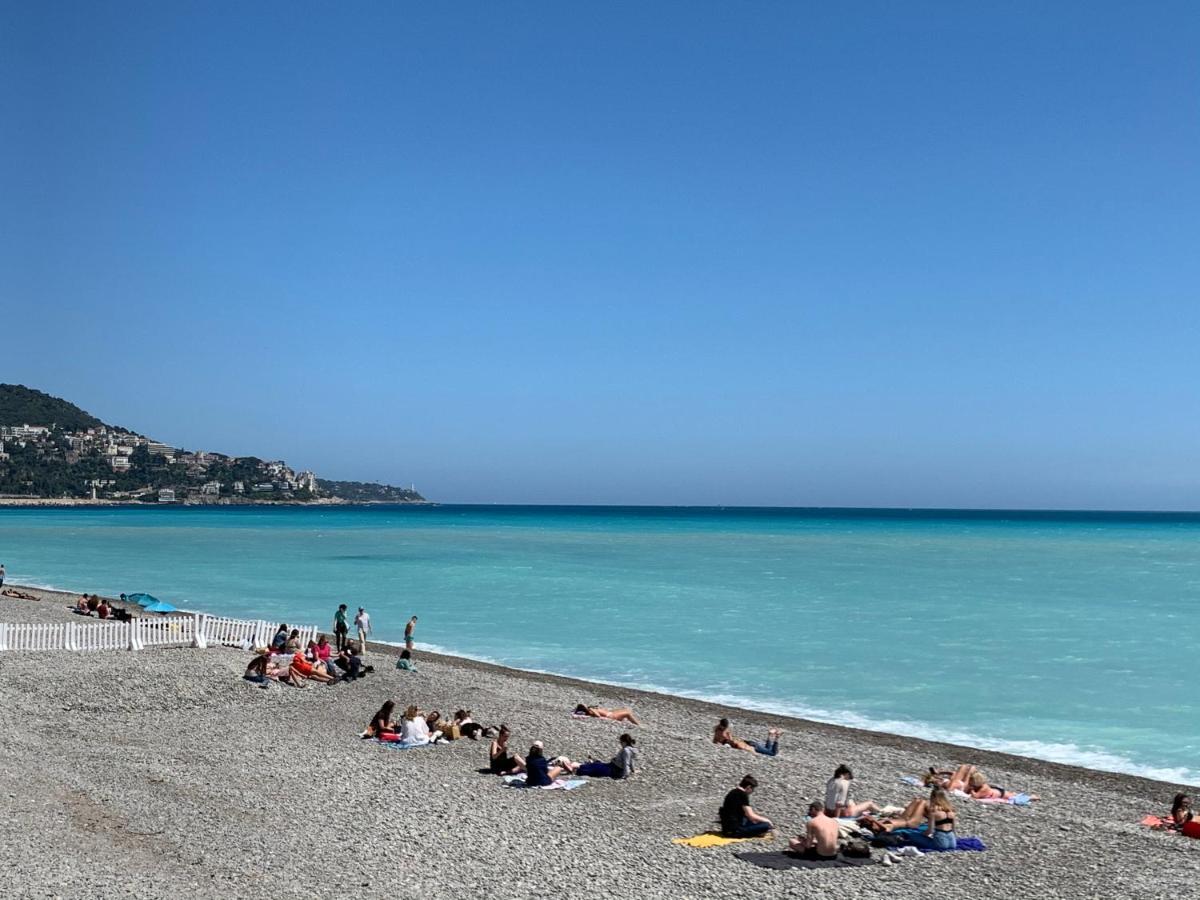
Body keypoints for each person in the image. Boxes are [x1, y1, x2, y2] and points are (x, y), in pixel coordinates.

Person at [573, 734, 637, 779]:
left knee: (596, 769)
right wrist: (633, 770)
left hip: (615, 770)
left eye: (621, 742)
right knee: (596, 765)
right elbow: (631, 761)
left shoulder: (626, 750)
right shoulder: (631, 750)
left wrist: (625, 775)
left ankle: (577, 770)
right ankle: (579, 767)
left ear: (624, 742)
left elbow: (626, 763)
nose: (620, 744)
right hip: (612, 766)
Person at [713, 718, 779, 755]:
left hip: (751, 745)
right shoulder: (724, 732)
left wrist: (752, 751)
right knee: (767, 749)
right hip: (749, 743)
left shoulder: (718, 731)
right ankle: (770, 735)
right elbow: (716, 740)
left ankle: (776, 737)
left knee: (772, 753)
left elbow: (739, 745)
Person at [574, 704, 641, 725]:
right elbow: (598, 716)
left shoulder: (590, 711)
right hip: (611, 716)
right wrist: (592, 709)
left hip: (610, 713)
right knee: (627, 713)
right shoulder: (591, 711)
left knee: (626, 709)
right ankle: (638, 724)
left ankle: (634, 721)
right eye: (585, 705)